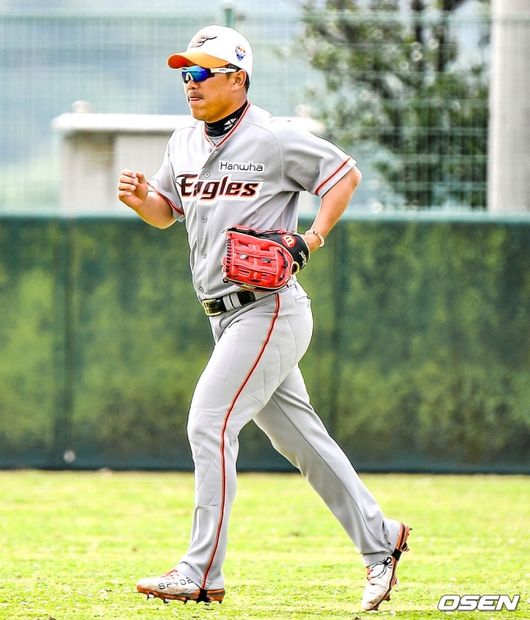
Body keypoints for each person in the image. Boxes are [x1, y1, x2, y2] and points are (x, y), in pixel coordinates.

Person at [117, 24, 410, 613]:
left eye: (202, 72)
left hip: (268, 309)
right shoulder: (183, 140)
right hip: (222, 317)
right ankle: (382, 539)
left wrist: (311, 238)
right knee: (302, 440)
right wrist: (142, 200)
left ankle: (201, 571)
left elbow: (344, 175)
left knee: (209, 424)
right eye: (185, 73)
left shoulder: (274, 137)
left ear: (237, 78)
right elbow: (167, 212)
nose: (190, 83)